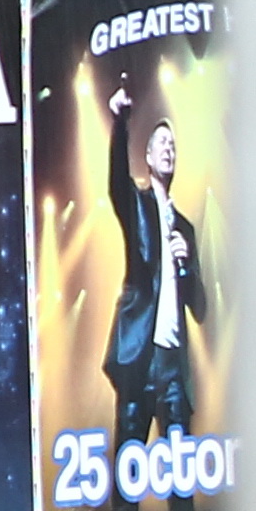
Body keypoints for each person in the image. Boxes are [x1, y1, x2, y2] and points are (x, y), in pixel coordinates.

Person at [99, 74, 200, 469]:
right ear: (148, 157)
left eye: (173, 145)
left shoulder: (185, 228)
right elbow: (115, 183)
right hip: (140, 357)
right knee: (129, 468)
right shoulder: (137, 206)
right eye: (161, 144)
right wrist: (120, 123)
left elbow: (201, 308)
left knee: (182, 471)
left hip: (173, 365)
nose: (168, 150)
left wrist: (186, 267)